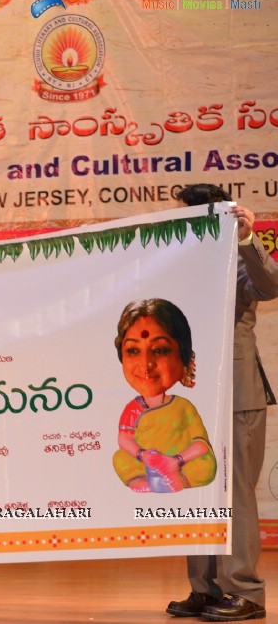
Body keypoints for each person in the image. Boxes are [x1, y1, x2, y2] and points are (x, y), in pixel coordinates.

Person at [165, 184, 278, 622]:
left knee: (237, 496)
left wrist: (248, 238)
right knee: (197, 488)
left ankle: (245, 592)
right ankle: (207, 589)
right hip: (192, 396)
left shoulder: (239, 256)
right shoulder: (177, 265)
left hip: (236, 392)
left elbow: (270, 286)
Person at [111, 299, 216, 493]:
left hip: (180, 462)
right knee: (119, 457)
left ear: (184, 357)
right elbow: (124, 439)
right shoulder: (133, 408)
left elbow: (201, 444)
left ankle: (178, 479)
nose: (145, 364)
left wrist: (176, 461)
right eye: (133, 351)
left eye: (159, 350)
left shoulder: (183, 406)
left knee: (207, 464)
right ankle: (141, 480)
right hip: (146, 462)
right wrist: (144, 456)